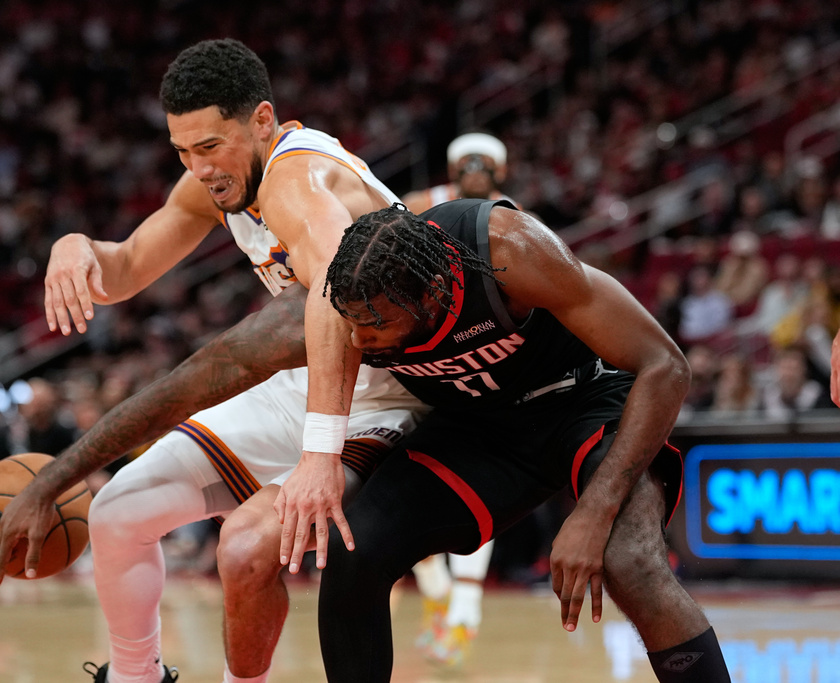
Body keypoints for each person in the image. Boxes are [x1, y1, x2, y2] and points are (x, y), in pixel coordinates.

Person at [0, 39, 426, 683]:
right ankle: (135, 677)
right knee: (115, 515)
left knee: (244, 552)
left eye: (210, 146)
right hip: (308, 380)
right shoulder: (217, 178)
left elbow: (337, 298)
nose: (199, 168)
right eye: (183, 151)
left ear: (261, 119)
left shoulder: (300, 179)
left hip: (391, 397)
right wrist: (75, 245)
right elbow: (127, 267)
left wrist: (319, 453)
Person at [307, 200, 732, 682]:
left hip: (583, 398)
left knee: (629, 560)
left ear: (434, 294)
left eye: (376, 324)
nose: (358, 340)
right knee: (354, 548)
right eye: (350, 322)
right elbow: (244, 356)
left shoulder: (510, 250)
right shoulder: (350, 303)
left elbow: (666, 365)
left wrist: (594, 511)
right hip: (476, 424)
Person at [401, 131, 515, 665]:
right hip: (419, 355)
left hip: (483, 357)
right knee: (400, 484)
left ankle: (462, 611)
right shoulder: (418, 206)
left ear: (500, 170)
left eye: (484, 162)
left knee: (472, 487)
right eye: (466, 162)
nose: (474, 166)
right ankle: (441, 601)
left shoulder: (512, 216)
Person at [401, 132, 512, 214]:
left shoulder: (512, 211)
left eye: (485, 168)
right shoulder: (422, 204)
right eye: (469, 167)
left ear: (500, 171)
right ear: (452, 170)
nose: (476, 176)